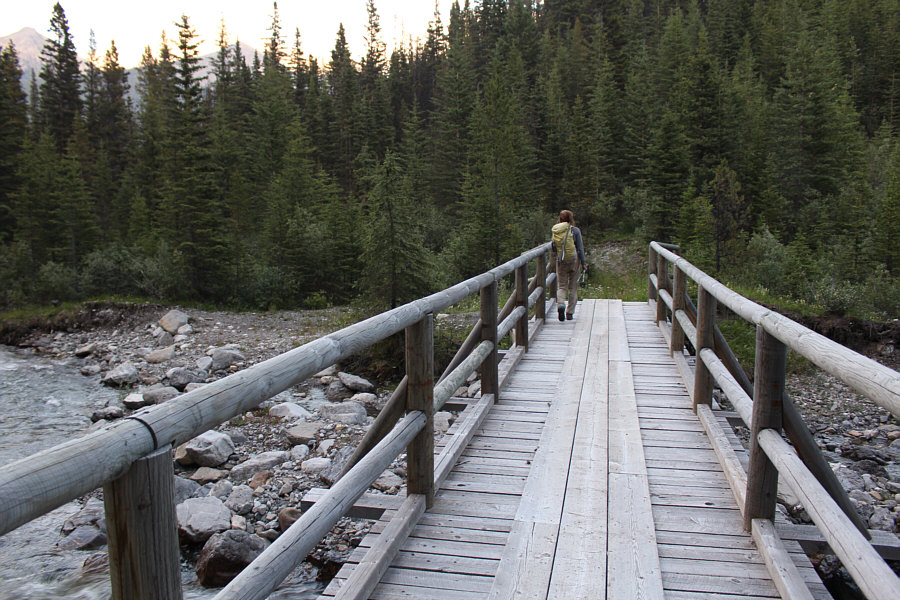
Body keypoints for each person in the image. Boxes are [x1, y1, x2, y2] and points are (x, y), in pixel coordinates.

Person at [550, 209, 587, 321]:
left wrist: (556, 259)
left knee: (561, 286)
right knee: (573, 287)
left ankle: (561, 304)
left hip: (561, 261)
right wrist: (584, 263)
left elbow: (553, 246)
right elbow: (580, 248)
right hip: (574, 261)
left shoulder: (556, 230)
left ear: (560, 218)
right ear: (571, 218)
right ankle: (570, 313)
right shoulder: (575, 230)